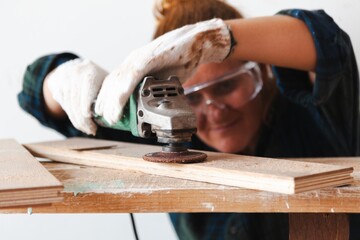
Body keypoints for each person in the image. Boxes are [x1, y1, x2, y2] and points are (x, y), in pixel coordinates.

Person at [18, 0, 360, 239]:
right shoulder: (157, 135)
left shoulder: (314, 114)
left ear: (264, 71)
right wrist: (61, 79)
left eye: (227, 85)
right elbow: (35, 95)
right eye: (191, 97)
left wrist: (216, 39)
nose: (213, 109)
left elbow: (330, 45)